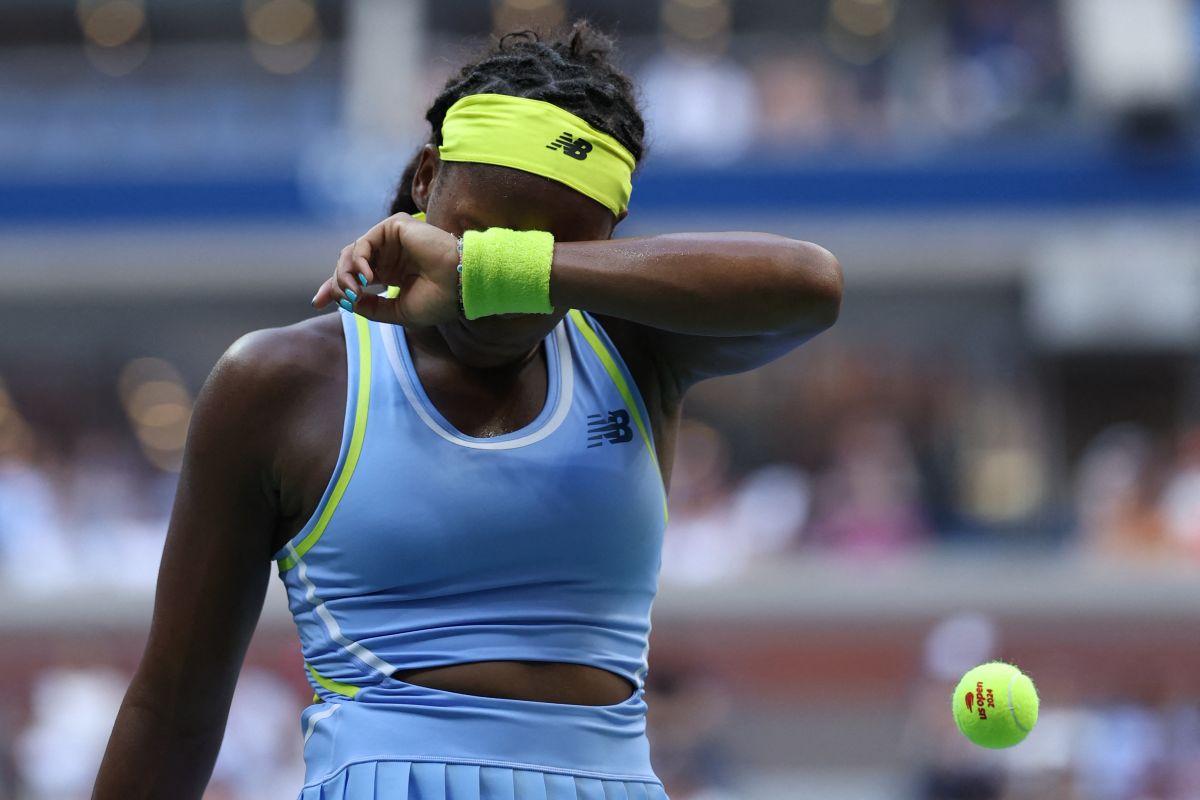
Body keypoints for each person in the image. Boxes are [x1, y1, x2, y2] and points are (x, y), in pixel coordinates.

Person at [93, 23, 842, 800]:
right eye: (478, 235)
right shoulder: (279, 381)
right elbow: (174, 708)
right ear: (425, 179)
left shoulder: (636, 344)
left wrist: (485, 264)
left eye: (542, 258)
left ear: (601, 250)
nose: (498, 293)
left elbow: (811, 286)